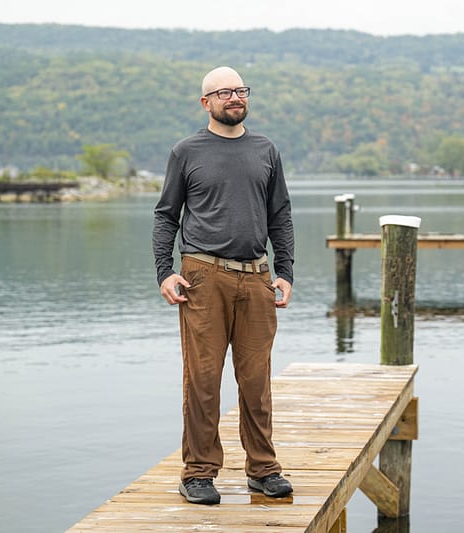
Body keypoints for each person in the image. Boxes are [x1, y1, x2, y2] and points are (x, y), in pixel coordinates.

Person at [152, 66, 295, 505]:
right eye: (224, 92)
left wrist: (284, 271)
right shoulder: (186, 151)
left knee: (256, 380)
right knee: (204, 379)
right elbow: (165, 216)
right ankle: (198, 472)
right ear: (206, 102)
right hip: (202, 276)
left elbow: (280, 215)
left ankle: (263, 469)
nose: (235, 97)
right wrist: (165, 271)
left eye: (240, 90)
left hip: (256, 278)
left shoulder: (265, 149)